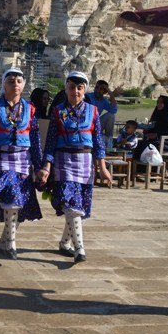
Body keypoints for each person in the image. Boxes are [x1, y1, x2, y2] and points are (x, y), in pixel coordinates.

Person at [36, 71, 112, 264]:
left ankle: (64, 242)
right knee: (71, 204)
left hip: (85, 162)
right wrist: (46, 166)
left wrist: (102, 167)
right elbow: (51, 141)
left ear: (84, 90)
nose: (75, 92)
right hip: (64, 161)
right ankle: (80, 248)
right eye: (71, 87)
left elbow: (98, 142)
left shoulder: (93, 111)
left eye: (79, 88)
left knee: (79, 206)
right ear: (66, 89)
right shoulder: (58, 111)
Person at [0, 67, 43, 260]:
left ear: (23, 85)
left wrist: (39, 167)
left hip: (23, 160)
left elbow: (35, 140)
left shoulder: (30, 109)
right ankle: (12, 243)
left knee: (18, 202)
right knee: (13, 197)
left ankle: (5, 239)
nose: (15, 84)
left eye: (18, 81)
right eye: (11, 81)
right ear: (4, 85)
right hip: (2, 159)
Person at [133, 95, 168, 160]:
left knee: (146, 146)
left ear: (166, 104)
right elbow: (157, 128)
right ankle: (138, 166)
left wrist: (156, 135)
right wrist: (148, 131)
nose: (158, 104)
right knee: (138, 143)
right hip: (159, 141)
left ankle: (148, 167)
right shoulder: (160, 116)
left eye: (161, 102)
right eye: (158, 102)